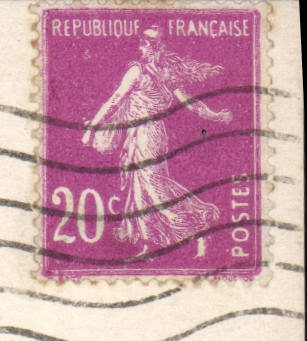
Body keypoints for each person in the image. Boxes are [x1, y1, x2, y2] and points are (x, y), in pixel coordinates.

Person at [80, 27, 232, 254]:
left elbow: (114, 101)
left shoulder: (137, 71)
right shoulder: (166, 74)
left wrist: (92, 126)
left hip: (144, 136)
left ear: (151, 48)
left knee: (152, 186)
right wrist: (214, 115)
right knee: (141, 186)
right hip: (153, 135)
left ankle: (197, 225)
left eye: (142, 45)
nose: (139, 49)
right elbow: (192, 103)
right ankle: (145, 243)